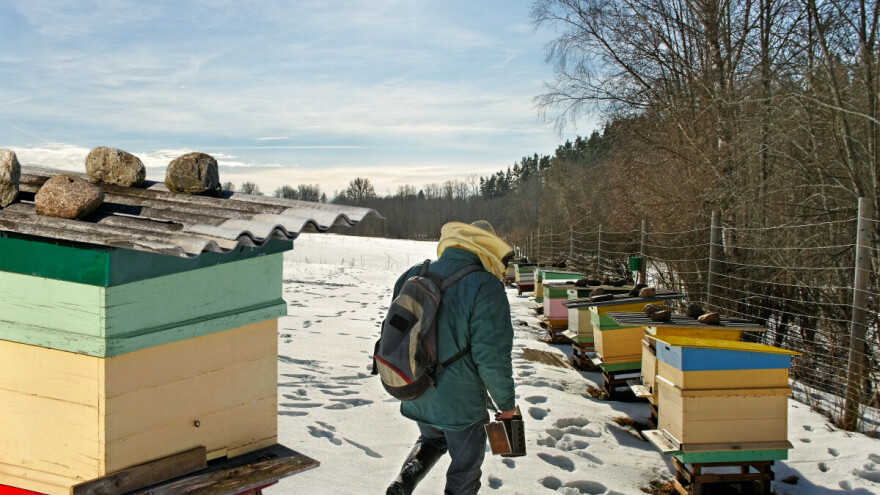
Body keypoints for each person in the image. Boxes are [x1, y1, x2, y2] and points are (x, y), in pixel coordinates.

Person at [386, 220, 518, 495]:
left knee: (432, 438)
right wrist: (506, 405)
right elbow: (492, 357)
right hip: (461, 404)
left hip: (416, 386)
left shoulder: (413, 273)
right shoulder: (486, 286)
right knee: (465, 465)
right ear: (486, 249)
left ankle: (403, 483)